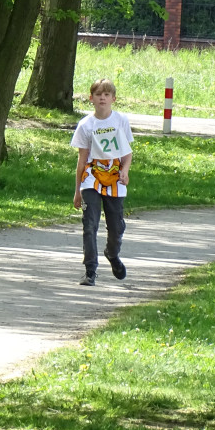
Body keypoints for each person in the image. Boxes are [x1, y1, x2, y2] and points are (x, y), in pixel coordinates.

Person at [71, 79, 134, 286]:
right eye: (98, 94)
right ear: (91, 98)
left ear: (113, 99)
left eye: (107, 95)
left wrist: (124, 170)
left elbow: (127, 153)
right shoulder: (85, 125)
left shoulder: (120, 121)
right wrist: (78, 190)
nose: (102, 98)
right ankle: (90, 270)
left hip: (115, 177)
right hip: (91, 178)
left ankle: (112, 254)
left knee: (116, 226)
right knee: (90, 224)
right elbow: (82, 159)